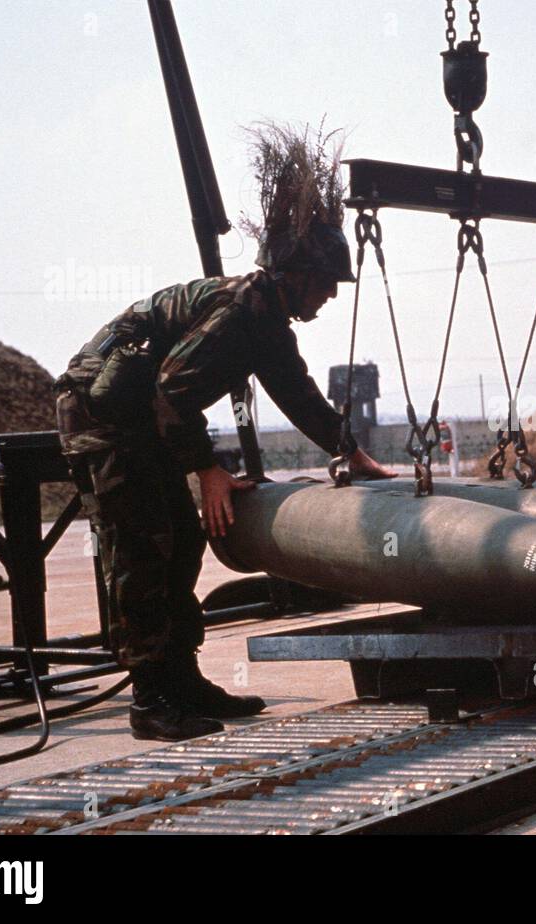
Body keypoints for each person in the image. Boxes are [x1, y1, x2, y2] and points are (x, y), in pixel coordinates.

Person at [54, 122, 395, 740]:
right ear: (292, 273)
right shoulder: (239, 316)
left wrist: (352, 452)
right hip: (104, 424)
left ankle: (181, 680)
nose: (329, 296)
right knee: (141, 549)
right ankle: (151, 701)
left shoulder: (267, 322)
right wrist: (208, 469)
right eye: (324, 282)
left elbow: (299, 395)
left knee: (181, 542)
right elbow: (169, 391)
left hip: (144, 425)